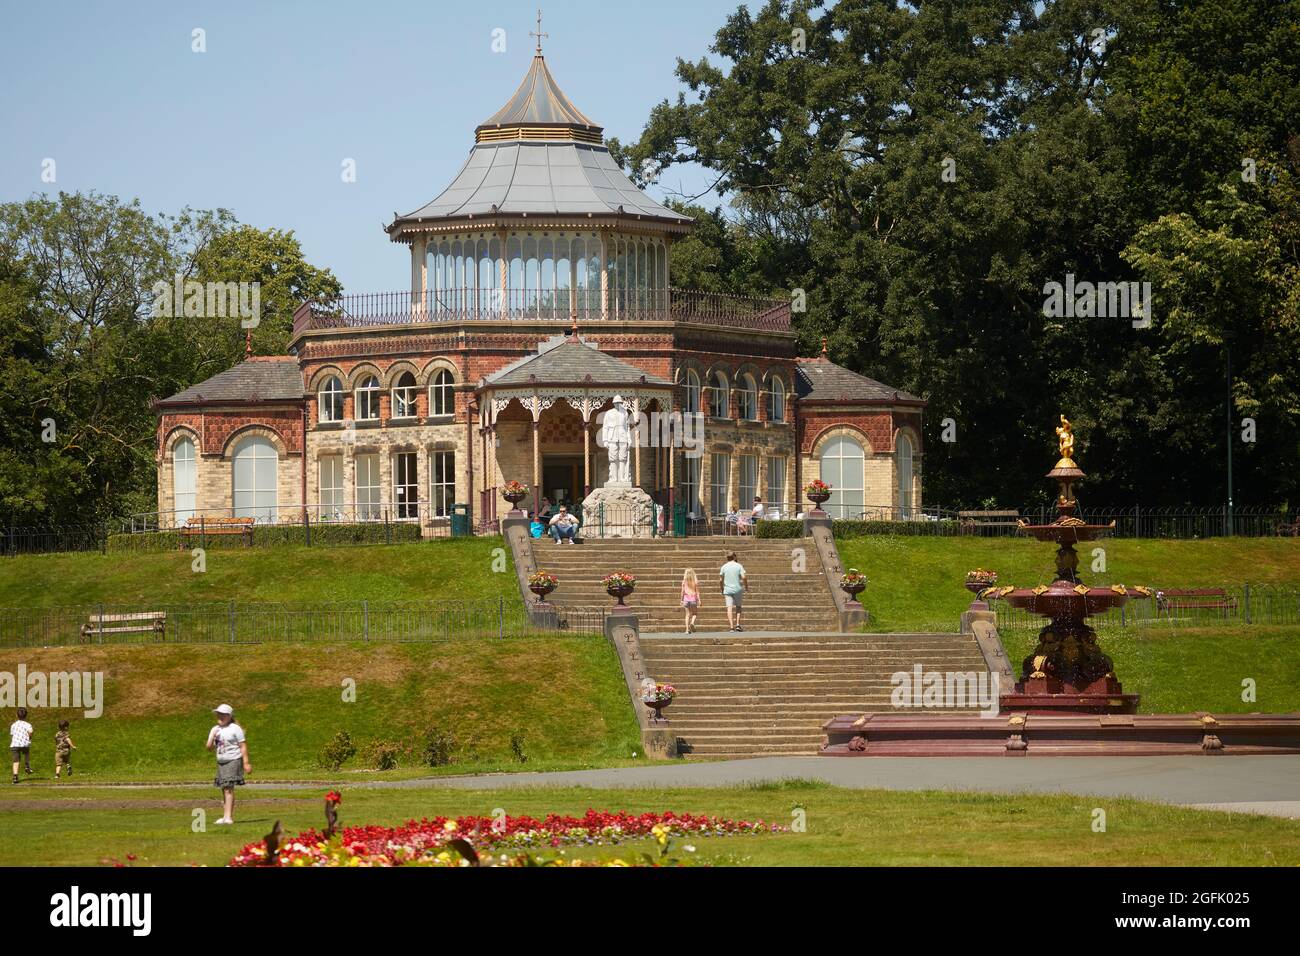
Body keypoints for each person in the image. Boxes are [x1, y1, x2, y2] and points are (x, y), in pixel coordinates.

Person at [206, 704, 250, 825]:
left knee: (228, 788)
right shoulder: (215, 729)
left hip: (233, 760)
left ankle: (229, 817)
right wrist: (212, 737)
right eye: (218, 714)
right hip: (221, 761)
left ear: (230, 716)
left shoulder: (235, 728)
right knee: (224, 788)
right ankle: (225, 816)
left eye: (223, 714)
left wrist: (246, 763)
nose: (220, 716)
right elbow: (208, 747)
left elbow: (243, 746)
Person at [719, 551, 748, 632]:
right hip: (737, 589)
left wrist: (722, 589)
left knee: (729, 608)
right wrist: (746, 586)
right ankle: (738, 624)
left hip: (727, 589)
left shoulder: (724, 567)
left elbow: (721, 580)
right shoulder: (739, 566)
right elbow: (744, 577)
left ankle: (731, 627)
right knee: (738, 607)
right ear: (734, 557)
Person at [10, 708, 33, 784]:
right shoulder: (28, 725)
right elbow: (30, 732)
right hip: (24, 743)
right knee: (27, 753)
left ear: (17, 715)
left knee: (16, 761)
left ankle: (15, 777)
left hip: (15, 744)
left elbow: (12, 734)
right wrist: (29, 738)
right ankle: (27, 765)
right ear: (26, 716)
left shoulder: (13, 725)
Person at [681, 568, 701, 634]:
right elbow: (697, 592)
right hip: (693, 599)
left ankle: (687, 630)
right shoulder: (695, 581)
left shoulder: (684, 581)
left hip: (686, 599)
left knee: (687, 615)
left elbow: (682, 592)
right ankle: (692, 623)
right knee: (694, 613)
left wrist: (681, 600)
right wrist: (699, 600)